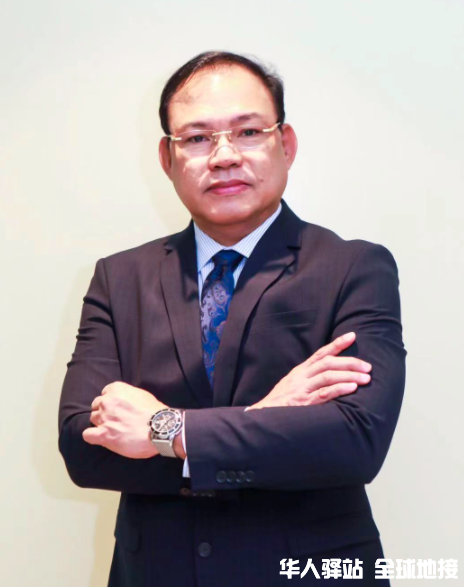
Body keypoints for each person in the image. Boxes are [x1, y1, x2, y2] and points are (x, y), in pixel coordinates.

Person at [58, 51, 406, 586]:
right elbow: (83, 447)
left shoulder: (354, 267)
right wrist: (268, 415)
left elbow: (354, 442)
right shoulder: (119, 278)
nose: (223, 157)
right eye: (197, 138)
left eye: (247, 132)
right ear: (167, 157)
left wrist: (166, 429)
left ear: (285, 144)